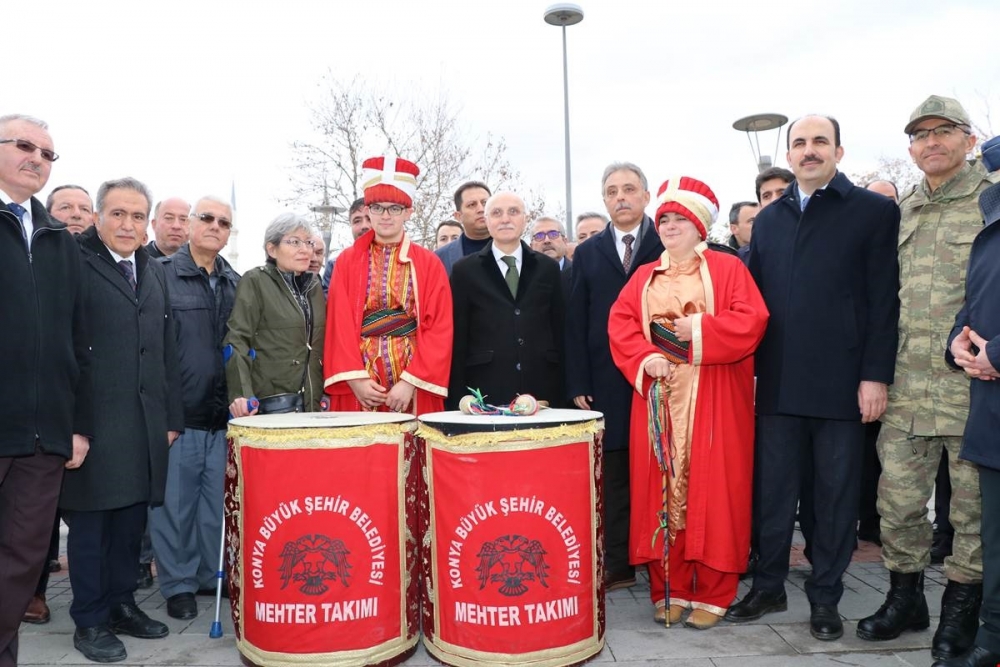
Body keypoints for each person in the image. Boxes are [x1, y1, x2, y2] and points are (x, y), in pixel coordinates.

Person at [727, 115, 900, 642]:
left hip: (842, 384)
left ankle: (825, 597)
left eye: (818, 141)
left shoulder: (872, 212)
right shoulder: (772, 218)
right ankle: (770, 585)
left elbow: (883, 299)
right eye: (798, 143)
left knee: (833, 499)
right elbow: (751, 304)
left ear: (838, 152)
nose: (808, 151)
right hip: (777, 383)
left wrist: (875, 376)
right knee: (774, 495)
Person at [858, 95, 1000, 662]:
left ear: (969, 140)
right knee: (899, 504)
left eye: (944, 131)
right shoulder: (903, 209)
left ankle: (960, 615)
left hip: (972, 385)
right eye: (921, 134)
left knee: (969, 513)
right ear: (911, 149)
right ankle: (905, 601)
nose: (932, 142)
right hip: (906, 386)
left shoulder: (990, 200)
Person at [609, 176, 768, 628]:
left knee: (717, 491)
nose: (671, 225)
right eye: (665, 219)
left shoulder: (728, 268)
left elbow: (752, 319)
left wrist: (696, 332)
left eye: (681, 218)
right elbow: (620, 325)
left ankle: (715, 592)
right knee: (661, 489)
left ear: (700, 225)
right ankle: (669, 587)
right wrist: (646, 358)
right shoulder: (643, 275)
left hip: (714, 392)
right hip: (658, 399)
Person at [61, 177, 184, 663]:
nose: (128, 224)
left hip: (144, 425)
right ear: (98, 216)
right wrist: (72, 426)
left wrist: (171, 418)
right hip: (93, 425)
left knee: (130, 525)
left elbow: (165, 351)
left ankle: (121, 605)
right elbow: (62, 349)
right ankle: (89, 620)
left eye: (137, 215)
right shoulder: (74, 263)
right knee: (91, 530)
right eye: (117, 214)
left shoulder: (151, 269)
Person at [0, 113, 92, 667]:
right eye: (25, 145)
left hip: (46, 434)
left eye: (48, 153)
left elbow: (78, 338)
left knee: (22, 557)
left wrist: (77, 424)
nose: (38, 157)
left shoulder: (58, 237)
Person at [566, 162, 664, 591]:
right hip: (605, 380)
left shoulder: (669, 242)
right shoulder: (587, 253)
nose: (621, 197)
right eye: (612, 191)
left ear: (646, 196)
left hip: (662, 378)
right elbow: (574, 322)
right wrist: (578, 383)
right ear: (604, 200)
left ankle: (665, 559)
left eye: (629, 189)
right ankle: (621, 562)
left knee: (662, 467)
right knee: (617, 473)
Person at [149, 196, 240, 621]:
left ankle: (207, 575)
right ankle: (178, 584)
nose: (215, 226)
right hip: (178, 416)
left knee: (212, 506)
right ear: (188, 224)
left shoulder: (235, 281)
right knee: (174, 507)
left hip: (222, 416)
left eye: (224, 222)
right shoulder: (160, 275)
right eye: (207, 218)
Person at [325, 156, 452, 415]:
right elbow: (338, 323)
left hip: (413, 380)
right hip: (360, 378)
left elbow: (439, 326)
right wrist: (356, 380)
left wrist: (410, 382)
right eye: (378, 207)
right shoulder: (347, 261)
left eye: (394, 208)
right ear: (368, 210)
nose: (385, 216)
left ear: (408, 212)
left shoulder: (429, 263)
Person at [23, 182, 97, 625]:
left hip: (83, 401)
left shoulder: (97, 260)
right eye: (65, 207)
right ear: (48, 214)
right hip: (37, 406)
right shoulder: (35, 254)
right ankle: (33, 591)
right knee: (34, 517)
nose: (75, 214)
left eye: (83, 208)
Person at [936, 181, 1000, 667]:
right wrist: (961, 339)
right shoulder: (991, 217)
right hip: (991, 407)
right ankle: (994, 633)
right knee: (994, 533)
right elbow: (981, 298)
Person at [448, 192, 564, 409]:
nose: (505, 219)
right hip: (485, 387)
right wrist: (456, 395)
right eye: (496, 213)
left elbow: (560, 328)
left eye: (513, 212)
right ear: (487, 220)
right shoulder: (464, 270)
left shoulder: (547, 268)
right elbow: (458, 335)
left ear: (525, 219)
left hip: (542, 385)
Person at [225, 214, 326, 417]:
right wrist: (241, 394)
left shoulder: (314, 286)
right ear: (272, 249)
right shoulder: (256, 281)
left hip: (314, 404)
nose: (305, 250)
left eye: (308, 242)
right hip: (273, 404)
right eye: (294, 242)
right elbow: (238, 339)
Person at [435, 180, 492, 275]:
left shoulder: (516, 249)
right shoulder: (440, 258)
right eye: (472, 205)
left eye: (485, 203)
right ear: (458, 216)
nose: (481, 209)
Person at [322, 197, 369, 293]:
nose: (364, 226)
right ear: (350, 225)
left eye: (369, 219)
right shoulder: (335, 265)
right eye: (357, 221)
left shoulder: (398, 262)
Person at [530, 216, 573, 300]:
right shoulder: (522, 278)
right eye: (539, 236)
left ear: (565, 241)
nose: (546, 240)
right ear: (531, 246)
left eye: (553, 234)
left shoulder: (579, 274)